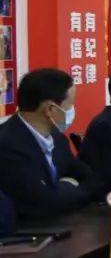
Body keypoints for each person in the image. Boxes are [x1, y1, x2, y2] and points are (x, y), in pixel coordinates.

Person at [0, 68, 102, 218]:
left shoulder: (57, 138)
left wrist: (65, 189)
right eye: (70, 105)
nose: (72, 110)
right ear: (50, 109)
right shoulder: (7, 145)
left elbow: (91, 179)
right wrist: (71, 186)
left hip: (63, 222)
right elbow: (44, 202)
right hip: (28, 228)